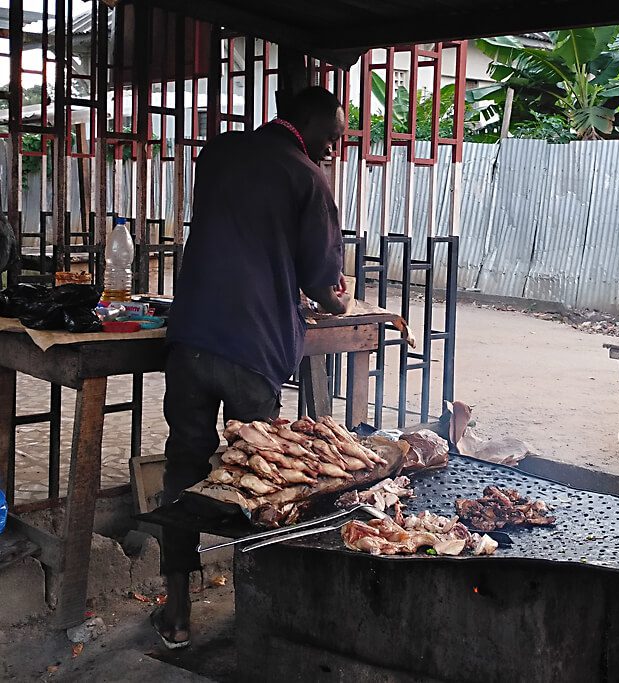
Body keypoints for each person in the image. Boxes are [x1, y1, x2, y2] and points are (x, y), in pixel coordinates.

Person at [152, 86, 350, 649]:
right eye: (334, 131)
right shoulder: (309, 180)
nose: (337, 143)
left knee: (184, 473)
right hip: (254, 350)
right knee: (260, 485)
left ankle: (178, 615)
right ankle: (257, 618)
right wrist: (338, 300)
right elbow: (321, 284)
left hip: (191, 340)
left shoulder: (217, 152)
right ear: (308, 122)